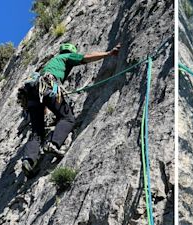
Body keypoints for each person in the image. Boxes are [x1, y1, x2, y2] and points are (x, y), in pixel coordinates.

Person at [20, 43, 121, 177]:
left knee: (37, 131)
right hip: (48, 86)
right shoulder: (66, 56)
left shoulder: (49, 64)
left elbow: (41, 96)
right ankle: (53, 143)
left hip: (33, 95)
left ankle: (28, 160)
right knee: (67, 118)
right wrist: (108, 53)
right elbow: (86, 57)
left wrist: (43, 110)